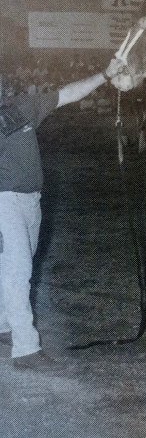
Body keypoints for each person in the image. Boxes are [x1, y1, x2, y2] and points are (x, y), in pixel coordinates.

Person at [0, 58, 123, 370]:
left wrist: (105, 75)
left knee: (14, 267)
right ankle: (26, 350)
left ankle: (3, 327)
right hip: (4, 201)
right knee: (19, 270)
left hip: (31, 200)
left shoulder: (22, 106)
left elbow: (68, 94)